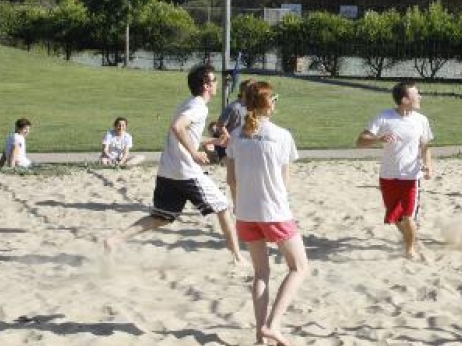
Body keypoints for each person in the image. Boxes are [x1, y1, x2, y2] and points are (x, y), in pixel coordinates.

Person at [103, 64, 245, 265]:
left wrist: (212, 142)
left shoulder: (187, 104)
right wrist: (195, 153)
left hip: (167, 170)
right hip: (185, 171)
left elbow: (187, 133)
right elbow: (177, 127)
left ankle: (114, 240)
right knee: (223, 207)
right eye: (213, 81)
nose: (216, 84)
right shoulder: (198, 107)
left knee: (162, 217)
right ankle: (238, 257)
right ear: (205, 85)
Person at [226, 81, 308, 346]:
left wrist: (240, 206)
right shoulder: (281, 135)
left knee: (261, 273)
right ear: (265, 103)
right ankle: (273, 325)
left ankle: (261, 336)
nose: (275, 102)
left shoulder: (236, 136)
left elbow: (231, 180)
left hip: (246, 213)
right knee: (299, 267)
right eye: (273, 98)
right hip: (274, 211)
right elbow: (285, 181)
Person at [356, 80, 435, 259]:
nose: (420, 96)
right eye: (416, 94)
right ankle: (410, 236)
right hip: (388, 176)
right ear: (405, 99)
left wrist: (428, 165)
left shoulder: (421, 120)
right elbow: (360, 141)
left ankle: (409, 249)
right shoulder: (384, 117)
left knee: (408, 217)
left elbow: (425, 146)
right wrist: (378, 139)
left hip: (411, 177)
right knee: (396, 218)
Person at [214, 79, 255, 162]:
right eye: (253, 91)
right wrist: (228, 138)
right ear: (244, 92)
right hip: (228, 145)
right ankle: (213, 154)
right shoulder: (234, 108)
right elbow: (219, 124)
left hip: (242, 143)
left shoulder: (251, 108)